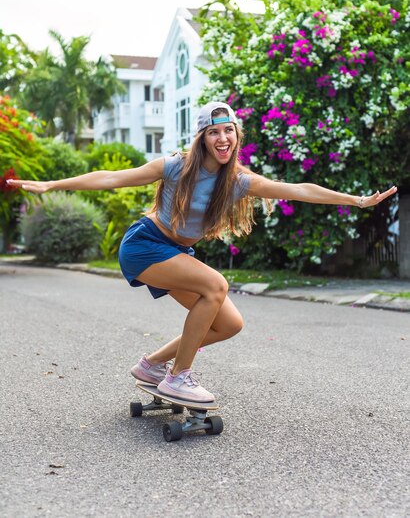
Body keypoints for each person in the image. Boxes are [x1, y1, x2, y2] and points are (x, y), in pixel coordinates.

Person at [7, 101, 397, 403]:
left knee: (228, 324)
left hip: (175, 251)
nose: (223, 138)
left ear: (236, 136)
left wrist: (356, 200)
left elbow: (298, 188)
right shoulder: (176, 167)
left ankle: (152, 366)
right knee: (216, 285)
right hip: (144, 245)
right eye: (215, 132)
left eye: (230, 131)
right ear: (202, 138)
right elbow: (112, 178)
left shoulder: (240, 181)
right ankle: (179, 376)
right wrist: (52, 184)